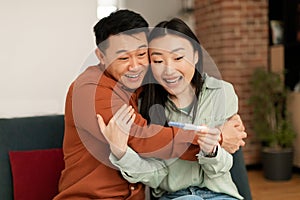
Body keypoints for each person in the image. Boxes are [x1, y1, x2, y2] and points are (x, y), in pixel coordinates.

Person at [54, 9, 248, 200]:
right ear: (101, 56)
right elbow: (140, 138)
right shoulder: (90, 89)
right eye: (122, 58)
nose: (135, 66)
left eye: (141, 54)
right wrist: (217, 138)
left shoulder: (144, 81)